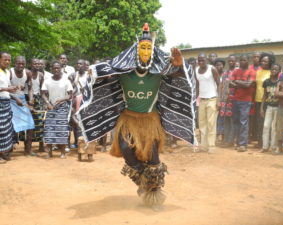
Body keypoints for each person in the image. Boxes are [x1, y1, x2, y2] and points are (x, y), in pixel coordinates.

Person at [78, 23, 196, 207]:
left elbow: (180, 76)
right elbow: (104, 73)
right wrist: (94, 73)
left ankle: (154, 196)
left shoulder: (159, 72)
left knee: (153, 158)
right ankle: (144, 180)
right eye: (143, 47)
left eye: (149, 47)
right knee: (126, 150)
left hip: (151, 121)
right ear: (136, 49)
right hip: (128, 119)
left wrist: (181, 66)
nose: (146, 51)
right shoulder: (124, 73)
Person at [42, 61, 73, 159]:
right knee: (49, 130)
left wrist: (62, 99)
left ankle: (62, 152)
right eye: (54, 68)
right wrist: (47, 103)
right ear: (51, 69)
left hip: (62, 108)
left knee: (62, 130)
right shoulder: (47, 81)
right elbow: (42, 93)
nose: (56, 70)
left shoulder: (66, 81)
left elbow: (71, 95)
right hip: (51, 107)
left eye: (58, 68)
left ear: (61, 69)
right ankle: (49, 152)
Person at [9, 56, 36, 156]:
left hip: (22, 100)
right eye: (18, 63)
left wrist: (31, 99)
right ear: (14, 63)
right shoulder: (9, 73)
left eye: (23, 64)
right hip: (10, 100)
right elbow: (5, 89)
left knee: (30, 124)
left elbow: (30, 88)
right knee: (11, 126)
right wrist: (16, 99)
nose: (21, 65)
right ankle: (9, 150)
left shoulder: (28, 73)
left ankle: (28, 150)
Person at [230, 55, 256, 152]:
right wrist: (242, 83)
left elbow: (249, 84)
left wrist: (237, 82)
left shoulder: (251, 72)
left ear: (248, 61)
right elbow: (230, 83)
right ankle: (237, 142)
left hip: (246, 100)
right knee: (236, 121)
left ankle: (243, 144)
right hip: (236, 99)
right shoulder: (236, 71)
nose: (242, 61)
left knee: (243, 122)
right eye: (241, 60)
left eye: (244, 60)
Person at [19, 58, 45, 152]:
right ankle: (27, 147)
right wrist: (29, 100)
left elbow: (42, 90)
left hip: (37, 99)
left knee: (40, 122)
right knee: (26, 123)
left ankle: (41, 146)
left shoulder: (41, 75)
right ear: (31, 64)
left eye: (38, 64)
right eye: (35, 63)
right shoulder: (26, 73)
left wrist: (44, 102)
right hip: (25, 98)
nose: (37, 65)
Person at [196, 53, 219, 152]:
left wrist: (219, 100)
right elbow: (197, 85)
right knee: (202, 123)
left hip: (212, 99)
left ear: (206, 60)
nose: (201, 62)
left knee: (211, 123)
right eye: (199, 60)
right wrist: (195, 98)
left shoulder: (212, 69)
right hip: (202, 100)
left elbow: (219, 84)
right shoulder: (196, 70)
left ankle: (211, 146)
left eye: (203, 60)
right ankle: (204, 146)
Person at [255, 53, 275, 149]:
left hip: (268, 101)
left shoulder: (272, 72)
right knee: (259, 122)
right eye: (262, 61)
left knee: (268, 123)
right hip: (257, 100)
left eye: (265, 61)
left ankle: (269, 142)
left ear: (270, 62)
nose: (263, 63)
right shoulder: (258, 72)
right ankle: (260, 142)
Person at [0, 52, 18, 163]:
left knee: (6, 128)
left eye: (9, 60)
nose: (7, 62)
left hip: (6, 102)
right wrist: (7, 89)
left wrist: (13, 88)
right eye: (5, 59)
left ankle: (3, 152)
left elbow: (5, 87)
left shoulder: (6, 72)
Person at [260, 63, 280, 153]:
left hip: (278, 107)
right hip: (269, 106)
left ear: (279, 71)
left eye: (276, 69)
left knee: (274, 127)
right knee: (266, 126)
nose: (274, 71)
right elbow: (264, 95)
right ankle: (265, 146)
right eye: (272, 69)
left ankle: (273, 146)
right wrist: (261, 108)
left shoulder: (280, 82)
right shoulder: (266, 82)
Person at [219, 55, 236, 148]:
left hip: (234, 100)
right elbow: (221, 85)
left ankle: (231, 140)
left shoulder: (237, 72)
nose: (231, 62)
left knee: (233, 120)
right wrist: (220, 99)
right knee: (226, 120)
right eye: (229, 61)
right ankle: (226, 140)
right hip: (225, 100)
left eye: (233, 61)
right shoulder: (225, 73)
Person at [214, 58, 226, 144]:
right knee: (214, 117)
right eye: (217, 65)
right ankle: (215, 135)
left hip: (224, 99)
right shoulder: (213, 75)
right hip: (214, 97)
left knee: (222, 118)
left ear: (223, 66)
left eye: (220, 65)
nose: (218, 66)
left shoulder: (226, 75)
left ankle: (221, 135)